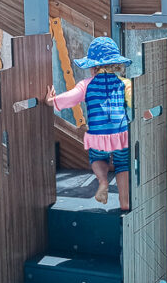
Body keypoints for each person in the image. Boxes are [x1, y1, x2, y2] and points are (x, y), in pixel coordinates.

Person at [46, 37, 133, 210]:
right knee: (123, 166)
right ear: (116, 66)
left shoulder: (86, 85)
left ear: (93, 67)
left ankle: (102, 181)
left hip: (98, 135)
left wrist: (51, 101)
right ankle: (125, 203)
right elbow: (135, 102)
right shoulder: (124, 84)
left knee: (97, 158)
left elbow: (70, 99)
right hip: (121, 134)